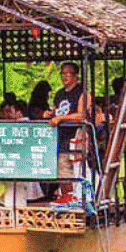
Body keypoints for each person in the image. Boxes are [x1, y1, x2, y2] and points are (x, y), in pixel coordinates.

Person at [43, 62, 89, 204]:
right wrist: (51, 114)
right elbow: (58, 111)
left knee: (72, 167)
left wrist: (62, 118)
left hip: (76, 135)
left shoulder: (82, 93)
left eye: (68, 73)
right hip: (60, 136)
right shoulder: (59, 93)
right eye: (63, 73)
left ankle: (74, 197)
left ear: (75, 75)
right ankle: (65, 196)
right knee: (61, 167)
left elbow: (82, 115)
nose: (65, 76)